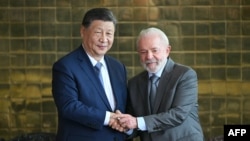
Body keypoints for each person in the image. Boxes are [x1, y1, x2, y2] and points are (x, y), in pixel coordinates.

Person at [111, 27, 204, 141]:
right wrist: (125, 126)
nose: (149, 56)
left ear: (167, 50)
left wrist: (136, 122)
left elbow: (178, 115)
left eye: (155, 50)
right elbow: (135, 122)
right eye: (143, 52)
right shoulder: (134, 84)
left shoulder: (185, 75)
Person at [52, 8, 127, 141]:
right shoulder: (65, 66)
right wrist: (108, 118)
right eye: (98, 32)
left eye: (109, 33)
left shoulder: (118, 67)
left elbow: (123, 105)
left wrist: (126, 123)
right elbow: (69, 106)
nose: (104, 39)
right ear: (83, 31)